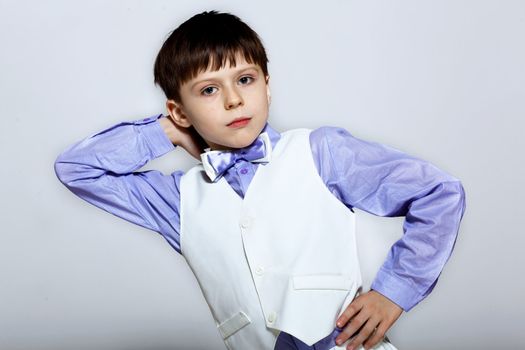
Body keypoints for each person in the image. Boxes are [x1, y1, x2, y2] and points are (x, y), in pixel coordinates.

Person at [54, 10, 466, 350]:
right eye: (209, 90)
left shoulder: (321, 153)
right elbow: (76, 168)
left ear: (267, 86)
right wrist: (165, 132)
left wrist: (395, 291)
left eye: (245, 80)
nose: (234, 99)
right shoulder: (177, 200)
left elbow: (437, 193)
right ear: (181, 111)